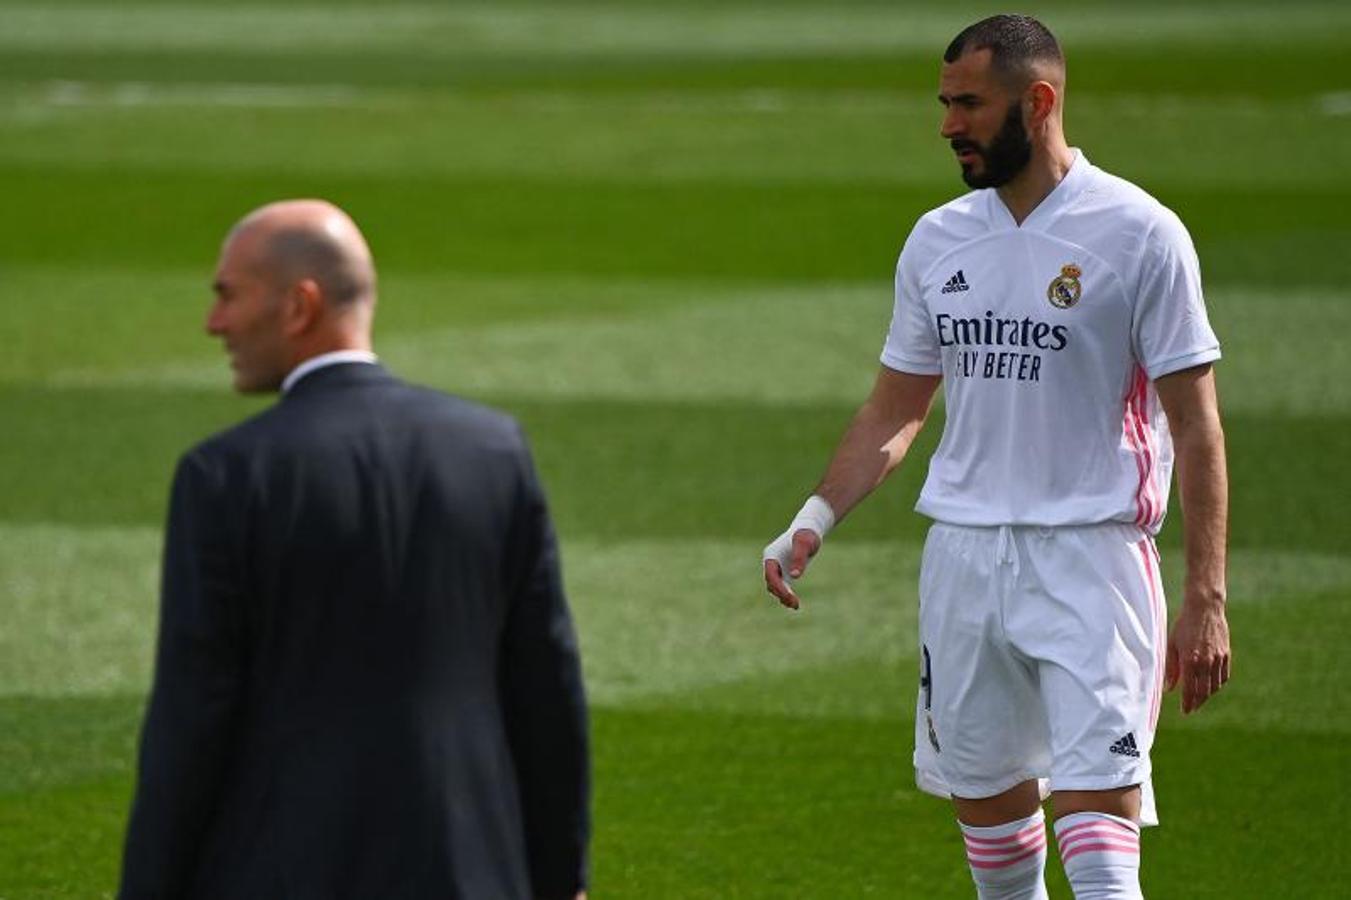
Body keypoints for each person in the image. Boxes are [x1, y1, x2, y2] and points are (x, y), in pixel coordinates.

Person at [762, 15, 1230, 900]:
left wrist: (1205, 597)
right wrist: (813, 519)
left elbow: (1196, 424)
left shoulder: (1139, 234)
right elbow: (896, 410)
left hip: (1092, 561)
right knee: (1000, 861)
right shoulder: (938, 240)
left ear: (1038, 100)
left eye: (968, 104)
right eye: (943, 104)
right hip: (965, 566)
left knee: (1098, 856)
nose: (947, 125)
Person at [118, 200, 590, 900]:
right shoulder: (493, 451)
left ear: (298, 304)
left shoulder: (225, 475)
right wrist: (559, 879)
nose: (213, 323)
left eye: (227, 295)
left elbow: (193, 716)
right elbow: (545, 687)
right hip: (471, 871)